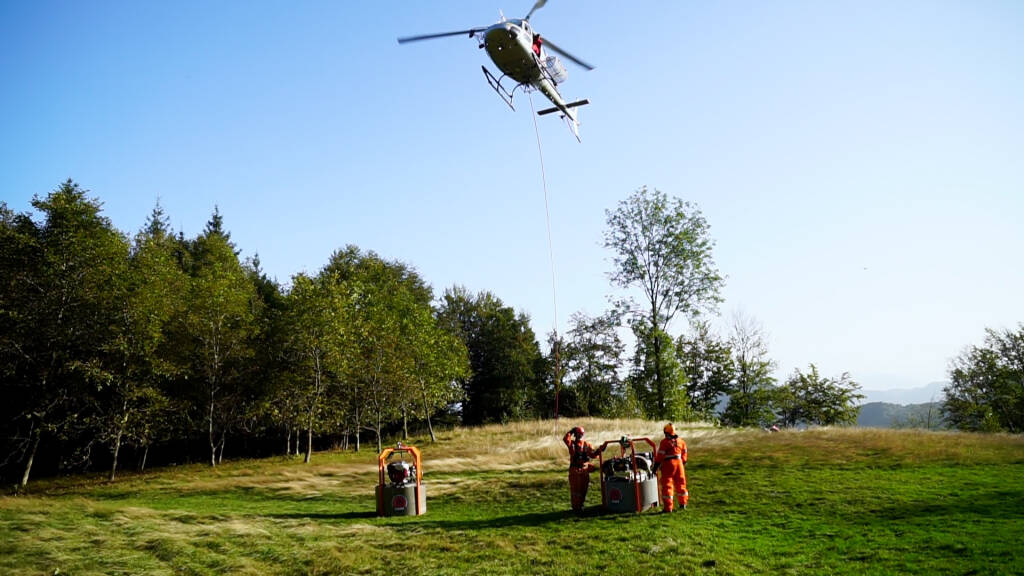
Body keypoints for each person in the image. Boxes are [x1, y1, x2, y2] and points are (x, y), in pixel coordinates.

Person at [563, 426, 601, 512]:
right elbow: (565, 439)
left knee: (583, 489)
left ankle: (580, 506)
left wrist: (600, 450)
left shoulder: (585, 445)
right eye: (578, 434)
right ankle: (576, 508)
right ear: (575, 434)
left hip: (584, 470)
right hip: (575, 470)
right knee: (576, 491)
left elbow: (594, 455)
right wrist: (571, 431)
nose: (579, 436)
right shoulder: (572, 444)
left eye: (580, 434)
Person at [653, 423, 688, 513]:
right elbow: (684, 455)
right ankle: (683, 504)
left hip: (668, 464)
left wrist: (655, 467)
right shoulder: (681, 441)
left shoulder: (664, 442)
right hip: (679, 464)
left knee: (667, 485)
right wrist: (682, 462)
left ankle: (668, 508)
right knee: (681, 484)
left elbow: (660, 456)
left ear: (666, 432)